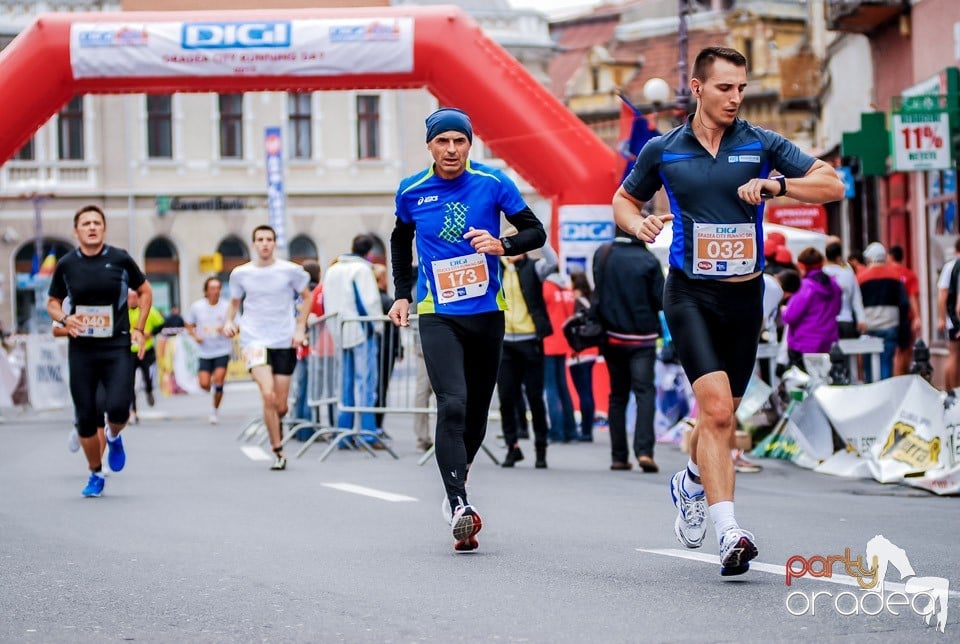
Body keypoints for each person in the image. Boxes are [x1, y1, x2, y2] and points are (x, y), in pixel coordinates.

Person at [612, 46, 844, 576]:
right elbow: (623, 200)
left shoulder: (761, 143)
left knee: (724, 413)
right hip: (690, 293)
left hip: (745, 296)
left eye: (741, 87)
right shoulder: (663, 149)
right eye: (724, 87)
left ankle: (690, 480)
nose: (736, 97)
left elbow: (833, 184)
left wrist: (775, 184)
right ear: (697, 88)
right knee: (715, 410)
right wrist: (637, 224)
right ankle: (730, 532)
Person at [388, 107, 546, 552]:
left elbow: (536, 231)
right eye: (443, 142)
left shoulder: (493, 182)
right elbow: (400, 241)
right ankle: (459, 505)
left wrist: (504, 244)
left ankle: (457, 480)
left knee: (476, 411)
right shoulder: (412, 191)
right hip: (437, 312)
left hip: (486, 312)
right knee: (452, 404)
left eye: (460, 141)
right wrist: (402, 294)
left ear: (469, 144)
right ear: (430, 146)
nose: (452, 149)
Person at [47, 205, 153, 497]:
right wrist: (66, 319)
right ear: (76, 230)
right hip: (82, 348)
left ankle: (113, 435)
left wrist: (139, 327)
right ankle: (95, 472)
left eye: (97, 223)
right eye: (86, 223)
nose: (92, 227)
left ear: (103, 229)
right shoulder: (67, 264)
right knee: (84, 416)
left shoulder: (119, 259)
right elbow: (53, 302)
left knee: (119, 407)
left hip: (117, 344)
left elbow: (145, 291)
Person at [223, 225, 311, 471]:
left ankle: (274, 421)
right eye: (260, 239)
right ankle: (277, 450)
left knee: (281, 405)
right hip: (254, 339)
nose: (264, 243)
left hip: (283, 339)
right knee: (268, 394)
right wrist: (229, 321)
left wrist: (300, 327)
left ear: (274, 243)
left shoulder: (290, 270)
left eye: (269, 239)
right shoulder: (241, 274)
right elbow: (233, 303)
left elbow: (308, 297)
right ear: (254, 244)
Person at [594, 230, 665, 472]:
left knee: (618, 396)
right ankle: (644, 451)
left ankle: (618, 456)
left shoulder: (603, 254)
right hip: (643, 339)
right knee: (644, 393)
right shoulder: (649, 260)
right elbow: (660, 300)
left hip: (612, 337)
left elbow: (599, 292)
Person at [498, 243, 557, 468]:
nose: (512, 250)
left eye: (518, 245)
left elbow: (553, 263)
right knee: (506, 397)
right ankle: (512, 446)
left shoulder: (534, 268)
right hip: (504, 343)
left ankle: (541, 448)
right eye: (508, 245)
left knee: (534, 397)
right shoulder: (497, 269)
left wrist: (539, 239)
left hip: (530, 339)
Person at [322, 235, 383, 442]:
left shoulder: (332, 270)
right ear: (369, 253)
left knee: (345, 383)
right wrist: (378, 327)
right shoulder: (362, 270)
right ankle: (367, 433)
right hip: (361, 330)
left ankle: (344, 432)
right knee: (365, 382)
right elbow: (370, 302)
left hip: (339, 330)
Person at [781, 247, 842, 370]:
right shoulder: (834, 284)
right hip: (827, 342)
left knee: (803, 382)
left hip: (803, 343)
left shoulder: (805, 286)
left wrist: (783, 311)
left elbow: (790, 316)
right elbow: (837, 310)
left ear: (802, 266)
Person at [858, 242, 910, 381]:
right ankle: (886, 391)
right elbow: (904, 304)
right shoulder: (895, 276)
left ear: (869, 258)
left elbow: (857, 303)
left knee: (868, 365)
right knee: (886, 363)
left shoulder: (861, 277)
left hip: (868, 326)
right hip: (889, 325)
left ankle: (871, 392)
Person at [185, 276, 232, 425]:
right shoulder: (197, 307)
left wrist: (226, 329)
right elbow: (188, 323)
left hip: (222, 349)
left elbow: (236, 327)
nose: (216, 291)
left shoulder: (227, 307)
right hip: (204, 351)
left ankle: (214, 411)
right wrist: (195, 336)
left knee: (218, 380)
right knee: (204, 384)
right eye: (212, 288)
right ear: (206, 291)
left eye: (218, 288)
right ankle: (216, 390)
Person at [542, 265, 579, 443]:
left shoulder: (546, 287)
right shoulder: (566, 287)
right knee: (563, 386)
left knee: (551, 388)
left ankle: (556, 431)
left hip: (549, 341)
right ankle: (571, 430)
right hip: (564, 341)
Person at [568, 270, 597, 442]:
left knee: (583, 392)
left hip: (578, 352)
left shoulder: (575, 301)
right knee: (588, 391)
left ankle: (586, 431)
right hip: (591, 351)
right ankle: (587, 428)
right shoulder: (591, 298)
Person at [292, 260, 322, 426]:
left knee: (301, 387)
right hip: (312, 345)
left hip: (300, 346)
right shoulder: (314, 291)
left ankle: (298, 424)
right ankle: (307, 426)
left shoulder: (297, 292)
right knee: (311, 389)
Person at [127, 289, 166, 418]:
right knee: (130, 382)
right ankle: (133, 411)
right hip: (129, 351)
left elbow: (161, 325)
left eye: (134, 297)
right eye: (129, 298)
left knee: (147, 377)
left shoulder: (148, 310)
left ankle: (149, 390)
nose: (132, 301)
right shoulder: (122, 312)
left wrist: (150, 333)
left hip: (146, 350)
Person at [373, 263, 401, 430]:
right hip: (386, 348)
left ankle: (376, 424)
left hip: (382, 347)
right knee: (382, 386)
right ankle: (378, 424)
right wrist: (399, 348)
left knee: (378, 386)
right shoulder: (385, 300)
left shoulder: (378, 298)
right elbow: (395, 329)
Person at [822, 241, 867, 340]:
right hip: (846, 319)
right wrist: (861, 319)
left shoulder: (821, 274)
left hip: (825, 321)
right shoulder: (848, 274)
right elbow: (856, 299)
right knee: (848, 353)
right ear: (839, 257)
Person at [888, 245, 922, 375]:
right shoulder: (909, 274)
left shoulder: (888, 273)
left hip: (890, 316)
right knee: (905, 350)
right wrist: (917, 317)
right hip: (907, 317)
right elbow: (913, 297)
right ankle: (902, 378)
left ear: (890, 257)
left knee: (894, 352)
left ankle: (896, 379)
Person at [937, 239, 960, 391]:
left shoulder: (950, 266)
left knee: (954, 355)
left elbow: (942, 294)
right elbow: (943, 295)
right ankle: (953, 392)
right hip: (955, 319)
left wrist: (941, 318)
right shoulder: (952, 267)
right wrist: (942, 318)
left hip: (953, 318)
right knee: (955, 355)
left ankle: (951, 393)